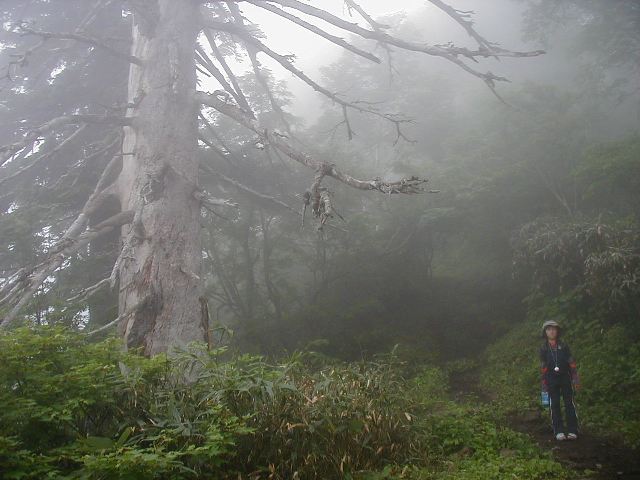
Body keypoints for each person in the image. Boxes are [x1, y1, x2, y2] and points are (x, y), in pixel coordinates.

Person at [539, 319, 580, 441]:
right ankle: (559, 430)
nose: (551, 332)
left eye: (554, 329)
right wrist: (544, 384)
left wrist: (575, 378)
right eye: (549, 329)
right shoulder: (543, 348)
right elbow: (543, 367)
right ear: (545, 332)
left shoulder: (564, 345)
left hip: (565, 377)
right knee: (555, 404)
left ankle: (573, 430)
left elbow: (571, 362)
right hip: (551, 379)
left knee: (569, 403)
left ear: (557, 331)